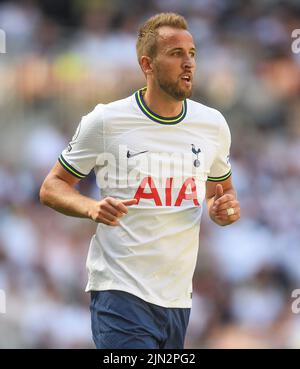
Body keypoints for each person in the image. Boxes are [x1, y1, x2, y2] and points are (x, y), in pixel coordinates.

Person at [40, 12, 240, 349]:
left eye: (192, 54)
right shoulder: (106, 120)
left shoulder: (213, 125)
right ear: (147, 64)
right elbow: (52, 187)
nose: (188, 63)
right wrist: (91, 207)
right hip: (121, 294)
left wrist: (223, 210)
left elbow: (222, 193)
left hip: (177, 300)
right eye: (176, 54)